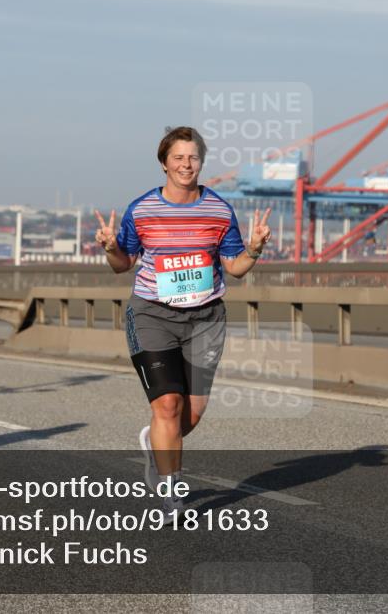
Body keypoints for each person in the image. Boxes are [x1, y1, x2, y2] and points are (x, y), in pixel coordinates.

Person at [94, 126, 271, 515]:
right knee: (168, 406)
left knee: (190, 414)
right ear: (164, 163)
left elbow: (235, 268)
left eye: (192, 157)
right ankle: (172, 493)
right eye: (178, 157)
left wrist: (255, 250)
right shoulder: (142, 210)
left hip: (205, 318)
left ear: (201, 163)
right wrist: (110, 248)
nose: (186, 164)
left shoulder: (218, 209)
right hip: (152, 314)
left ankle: (155, 442)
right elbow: (123, 264)